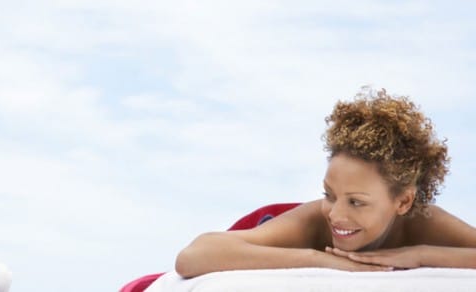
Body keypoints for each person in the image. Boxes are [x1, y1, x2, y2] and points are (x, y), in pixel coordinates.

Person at [175, 88, 476, 278]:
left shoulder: (423, 222)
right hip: (268, 223)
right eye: (329, 194)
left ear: (403, 202)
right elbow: (192, 257)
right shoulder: (315, 222)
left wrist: (421, 253)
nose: (336, 214)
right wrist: (317, 258)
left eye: (356, 201)